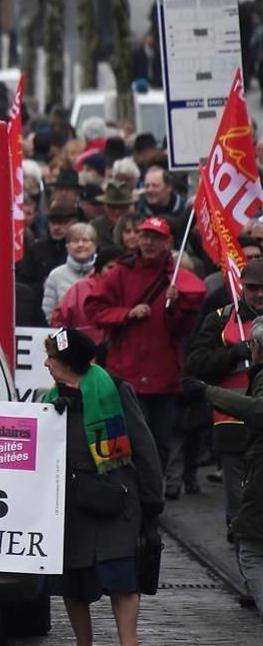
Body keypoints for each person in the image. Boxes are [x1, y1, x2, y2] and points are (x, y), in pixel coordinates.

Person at [41, 328, 163, 646]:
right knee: (73, 578)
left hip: (117, 500)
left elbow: (145, 447)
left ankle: (128, 641)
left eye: (51, 357)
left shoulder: (116, 390)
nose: (46, 363)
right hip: (72, 505)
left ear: (67, 362)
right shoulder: (50, 400)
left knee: (121, 575)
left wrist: (153, 501)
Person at [85, 216, 205, 492]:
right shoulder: (120, 272)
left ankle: (151, 493)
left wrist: (176, 306)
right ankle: (126, 490)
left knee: (160, 439)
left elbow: (183, 329)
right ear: (137, 238)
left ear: (168, 243)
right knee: (127, 437)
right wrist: (126, 313)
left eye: (156, 238)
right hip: (127, 370)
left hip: (163, 375)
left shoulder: (176, 277)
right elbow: (94, 310)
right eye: (145, 236)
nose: (149, 242)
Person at [184, 316, 263, 620]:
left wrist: (207, 392)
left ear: (255, 347)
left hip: (257, 461)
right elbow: (199, 358)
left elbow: (258, 410)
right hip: (235, 442)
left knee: (250, 545)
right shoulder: (221, 317)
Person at [185, 259, 263, 523]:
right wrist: (231, 355)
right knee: (239, 506)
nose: (260, 293)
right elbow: (195, 364)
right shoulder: (220, 319)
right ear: (242, 287)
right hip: (232, 424)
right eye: (253, 287)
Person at [51, 249, 120, 344]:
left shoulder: (129, 291)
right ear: (99, 269)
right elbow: (58, 323)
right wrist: (64, 352)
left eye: (119, 269)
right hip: (82, 355)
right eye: (110, 268)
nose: (115, 272)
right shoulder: (79, 289)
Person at [42, 223, 99, 319]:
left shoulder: (104, 273)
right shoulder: (55, 275)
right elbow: (49, 313)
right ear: (67, 247)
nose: (80, 245)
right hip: (65, 331)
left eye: (85, 240)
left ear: (94, 245)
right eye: (75, 241)